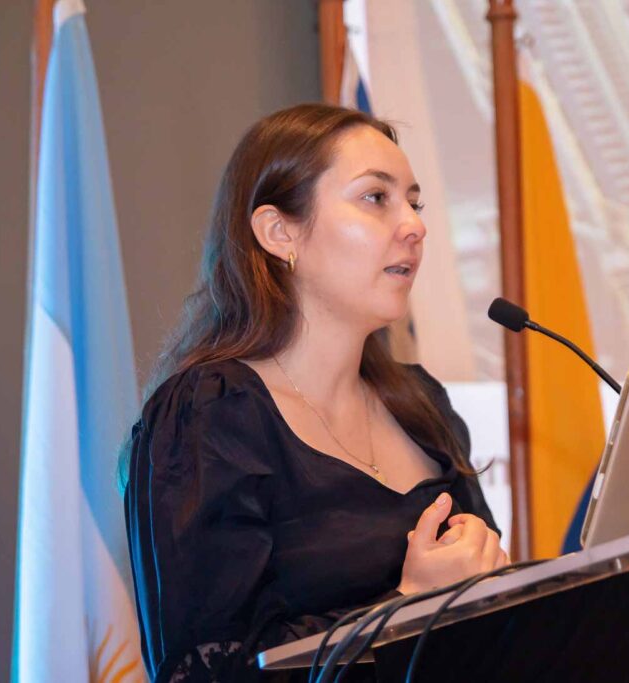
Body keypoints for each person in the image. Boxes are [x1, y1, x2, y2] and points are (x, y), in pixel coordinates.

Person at [123, 103, 506, 683]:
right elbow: (204, 671)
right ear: (280, 233)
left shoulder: (423, 406)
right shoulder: (209, 415)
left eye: (414, 202)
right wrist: (406, 605)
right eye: (376, 198)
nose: (414, 226)